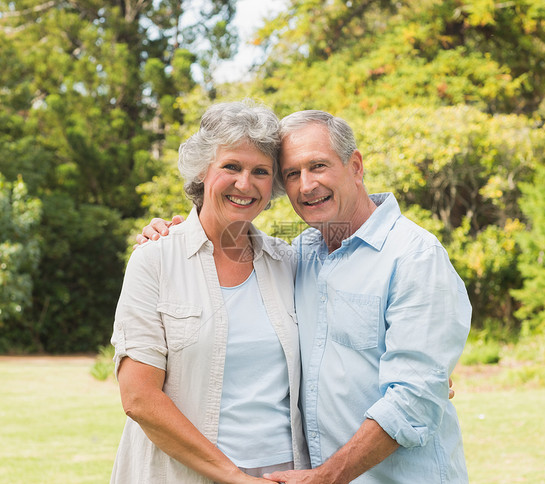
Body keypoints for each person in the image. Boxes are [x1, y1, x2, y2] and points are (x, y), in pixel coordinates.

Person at [139, 109, 471, 483]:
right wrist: (172, 235)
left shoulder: (414, 256)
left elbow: (413, 397)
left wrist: (327, 476)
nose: (306, 185)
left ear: (356, 166)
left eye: (319, 166)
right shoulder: (297, 256)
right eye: (292, 174)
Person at [110, 100, 309, 484]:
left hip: (284, 474)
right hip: (184, 475)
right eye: (231, 166)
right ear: (203, 171)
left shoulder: (289, 261)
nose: (244, 184)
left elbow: (337, 345)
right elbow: (138, 398)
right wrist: (233, 476)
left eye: (261, 171)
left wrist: (412, 366)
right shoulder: (156, 259)